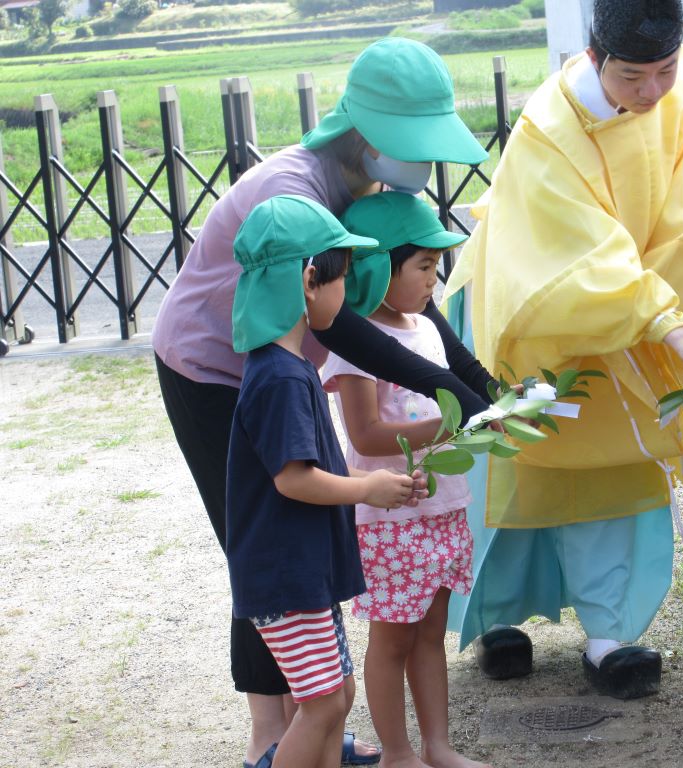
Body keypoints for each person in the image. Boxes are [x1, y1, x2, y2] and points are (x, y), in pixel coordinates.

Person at [151, 38, 494, 767]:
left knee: (300, 550)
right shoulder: (293, 199)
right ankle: (271, 737)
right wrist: (452, 395)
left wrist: (474, 386)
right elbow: (349, 330)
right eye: (414, 145)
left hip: (281, 370)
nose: (424, 165)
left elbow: (391, 310)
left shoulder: (363, 189)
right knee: (264, 552)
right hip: (212, 371)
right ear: (368, 139)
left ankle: (313, 722)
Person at [442, 0, 683, 700]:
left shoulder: (673, 103)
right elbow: (580, 254)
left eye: (666, 70)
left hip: (631, 310)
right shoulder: (550, 128)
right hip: (533, 303)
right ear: (594, 59)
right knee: (524, 463)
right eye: (633, 76)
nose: (651, 92)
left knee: (619, 464)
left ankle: (612, 633)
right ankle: (500, 619)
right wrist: (667, 323)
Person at [226, 195, 425, 768]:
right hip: (286, 576)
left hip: (301, 570)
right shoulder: (281, 377)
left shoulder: (287, 366)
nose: (348, 292)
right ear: (310, 279)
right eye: (343, 275)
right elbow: (293, 480)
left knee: (335, 697)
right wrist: (369, 487)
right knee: (320, 705)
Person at [321, 192, 490, 768]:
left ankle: (438, 746)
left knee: (431, 633)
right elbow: (365, 435)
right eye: (422, 267)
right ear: (376, 269)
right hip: (389, 517)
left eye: (435, 268)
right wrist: (445, 426)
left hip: (442, 505)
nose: (432, 281)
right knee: (392, 638)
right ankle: (397, 752)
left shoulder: (425, 327)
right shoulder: (356, 344)